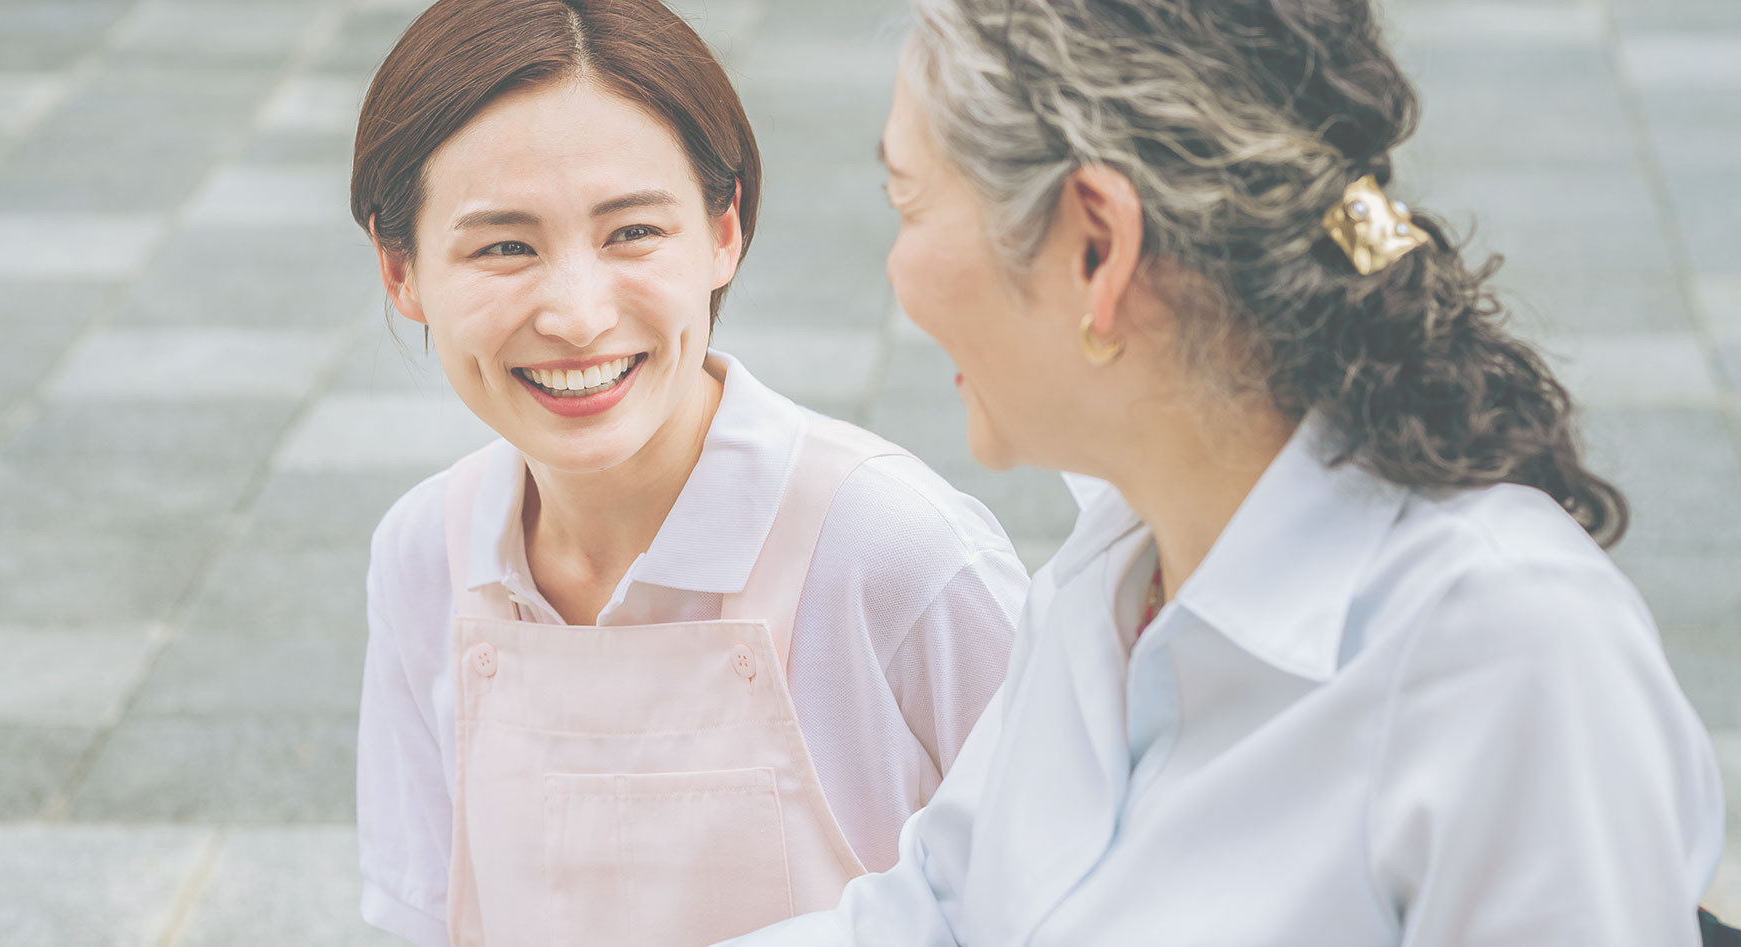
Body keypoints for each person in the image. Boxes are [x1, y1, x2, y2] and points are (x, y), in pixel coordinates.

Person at [723, 0, 1727, 943]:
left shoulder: (1508, 655)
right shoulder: (1115, 566)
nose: (896, 273)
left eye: (910, 202)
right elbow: (943, 911)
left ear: (1097, 246)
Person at [348, 1, 1027, 945]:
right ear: (400, 270)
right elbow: (422, 916)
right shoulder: (425, 553)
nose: (578, 316)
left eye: (632, 232)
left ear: (723, 230)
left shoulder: (896, 551)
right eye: (505, 245)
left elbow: (1086, 894)